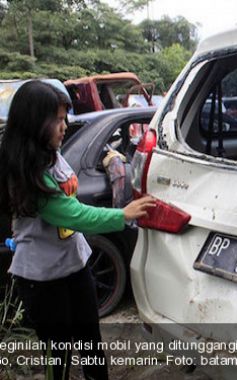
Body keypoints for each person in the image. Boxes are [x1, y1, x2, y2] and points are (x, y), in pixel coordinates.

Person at [0, 80, 155, 379]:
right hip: (43, 279)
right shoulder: (27, 175)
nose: (64, 126)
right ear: (33, 123)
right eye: (56, 120)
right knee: (57, 354)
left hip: (75, 264)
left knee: (90, 343)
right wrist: (122, 214)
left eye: (63, 118)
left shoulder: (51, 154)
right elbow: (72, 214)